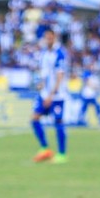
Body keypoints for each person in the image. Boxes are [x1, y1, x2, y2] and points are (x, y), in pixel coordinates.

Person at [30, 26, 69, 163]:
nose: (48, 40)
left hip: (57, 96)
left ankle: (62, 154)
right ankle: (45, 148)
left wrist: (51, 95)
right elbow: (44, 73)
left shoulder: (60, 54)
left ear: (54, 37)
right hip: (44, 93)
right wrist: (41, 85)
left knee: (58, 122)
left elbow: (60, 76)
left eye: (50, 37)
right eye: (46, 37)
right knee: (34, 118)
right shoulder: (44, 53)